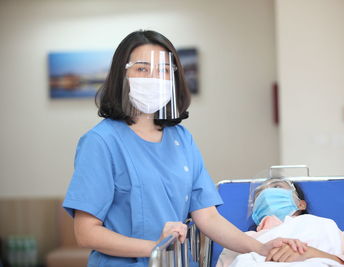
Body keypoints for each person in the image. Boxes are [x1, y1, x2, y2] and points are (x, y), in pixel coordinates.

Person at [62, 30, 307, 266]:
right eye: (142, 69)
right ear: (121, 75)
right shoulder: (101, 141)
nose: (154, 78)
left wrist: (260, 247)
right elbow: (86, 233)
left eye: (164, 70)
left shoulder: (181, 138)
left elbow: (208, 218)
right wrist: (156, 248)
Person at [217, 178, 344, 267]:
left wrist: (312, 254)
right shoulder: (241, 239)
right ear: (255, 212)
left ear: (300, 204)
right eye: (259, 195)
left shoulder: (323, 225)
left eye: (277, 186)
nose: (267, 193)